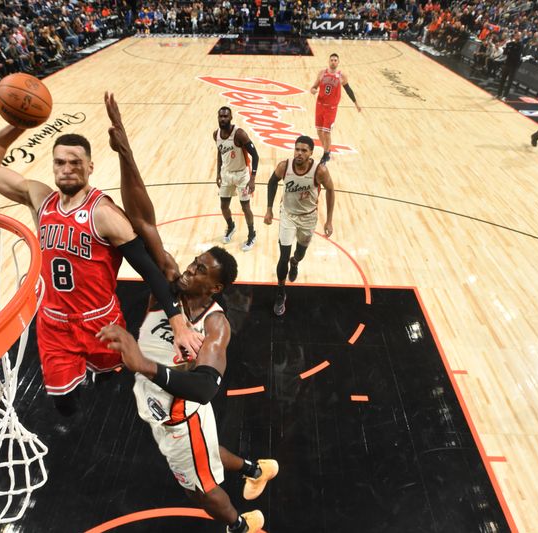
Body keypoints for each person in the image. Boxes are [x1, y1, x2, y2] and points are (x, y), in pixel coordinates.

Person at [99, 92, 276, 533]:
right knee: (211, 454)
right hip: (161, 403)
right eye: (194, 262)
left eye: (199, 271)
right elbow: (144, 222)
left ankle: (242, 525)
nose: (188, 269)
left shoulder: (215, 326)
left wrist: (143, 364)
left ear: (214, 287)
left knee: (199, 488)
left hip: (180, 417)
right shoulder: (168, 289)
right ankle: (257, 469)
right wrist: (126, 153)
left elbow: (204, 389)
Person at [0, 96, 202, 416]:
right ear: (53, 166)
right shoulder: (39, 198)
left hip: (100, 321)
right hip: (53, 322)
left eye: (75, 162)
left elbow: (149, 269)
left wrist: (178, 322)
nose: (67, 168)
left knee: (111, 375)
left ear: (89, 167)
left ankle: (103, 374)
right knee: (63, 403)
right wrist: (19, 123)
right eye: (60, 162)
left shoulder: (104, 213)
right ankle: (73, 401)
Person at [263, 135, 335, 316]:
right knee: (283, 255)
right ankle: (281, 292)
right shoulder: (284, 166)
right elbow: (272, 182)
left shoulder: (320, 171)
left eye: (304, 150)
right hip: (287, 215)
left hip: (308, 218)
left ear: (311, 153)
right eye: (297, 149)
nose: (299, 153)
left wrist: (329, 220)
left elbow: (331, 190)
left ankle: (295, 263)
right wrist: (269, 209)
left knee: (299, 254)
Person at [214, 106, 260, 251]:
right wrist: (218, 173)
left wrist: (252, 178)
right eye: (220, 116)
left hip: (242, 175)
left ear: (231, 118)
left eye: (225, 116)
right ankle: (231, 226)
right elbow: (220, 153)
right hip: (226, 174)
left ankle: (252, 234)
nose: (223, 119)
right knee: (223, 206)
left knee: (245, 207)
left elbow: (256, 155)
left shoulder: (239, 134)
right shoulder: (216, 134)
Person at [310, 53, 361, 163]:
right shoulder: (322, 73)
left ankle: (326, 154)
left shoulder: (341, 76)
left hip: (331, 108)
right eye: (331, 60)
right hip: (319, 105)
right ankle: (327, 150)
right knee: (319, 131)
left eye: (335, 60)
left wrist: (356, 103)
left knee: (326, 132)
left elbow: (348, 90)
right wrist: (313, 90)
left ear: (338, 62)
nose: (333, 62)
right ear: (329, 61)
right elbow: (314, 87)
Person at [496, 31, 523, 100]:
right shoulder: (509, 43)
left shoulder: (521, 45)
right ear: (514, 36)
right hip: (507, 63)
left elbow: (517, 55)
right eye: (516, 35)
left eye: (519, 36)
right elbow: (505, 53)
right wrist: (510, 51)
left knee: (509, 82)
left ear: (520, 37)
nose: (517, 36)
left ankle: (505, 96)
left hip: (514, 66)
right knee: (502, 79)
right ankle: (499, 94)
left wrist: (510, 51)